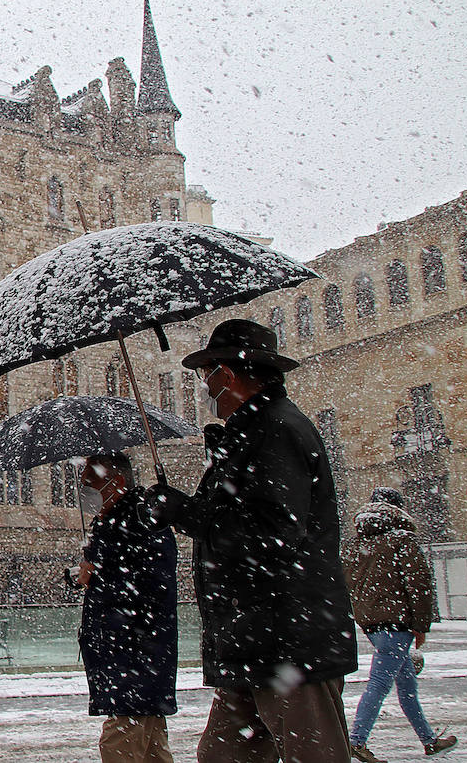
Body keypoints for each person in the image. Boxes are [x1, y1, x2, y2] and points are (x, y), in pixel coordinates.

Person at [148, 319, 357, 762]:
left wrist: (186, 513)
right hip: (255, 638)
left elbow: (272, 536)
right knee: (223, 756)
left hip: (286, 641)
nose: (206, 390)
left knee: (310, 753)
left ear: (226, 376)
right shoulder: (254, 432)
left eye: (208, 378)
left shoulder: (276, 431)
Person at [76, 450, 179, 762]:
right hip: (130, 660)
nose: (86, 494)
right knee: (150, 749)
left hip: (134, 659)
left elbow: (146, 588)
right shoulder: (116, 522)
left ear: (117, 482)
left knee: (120, 746)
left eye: (91, 484)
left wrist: (98, 571)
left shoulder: (135, 521)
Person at [342, 486, 457, 760]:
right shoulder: (403, 540)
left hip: (372, 624)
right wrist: (420, 624)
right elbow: (418, 584)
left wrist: (363, 614)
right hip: (397, 623)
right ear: (399, 510)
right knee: (380, 683)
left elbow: (347, 583)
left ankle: (429, 740)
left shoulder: (355, 543)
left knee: (406, 686)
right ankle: (356, 741)